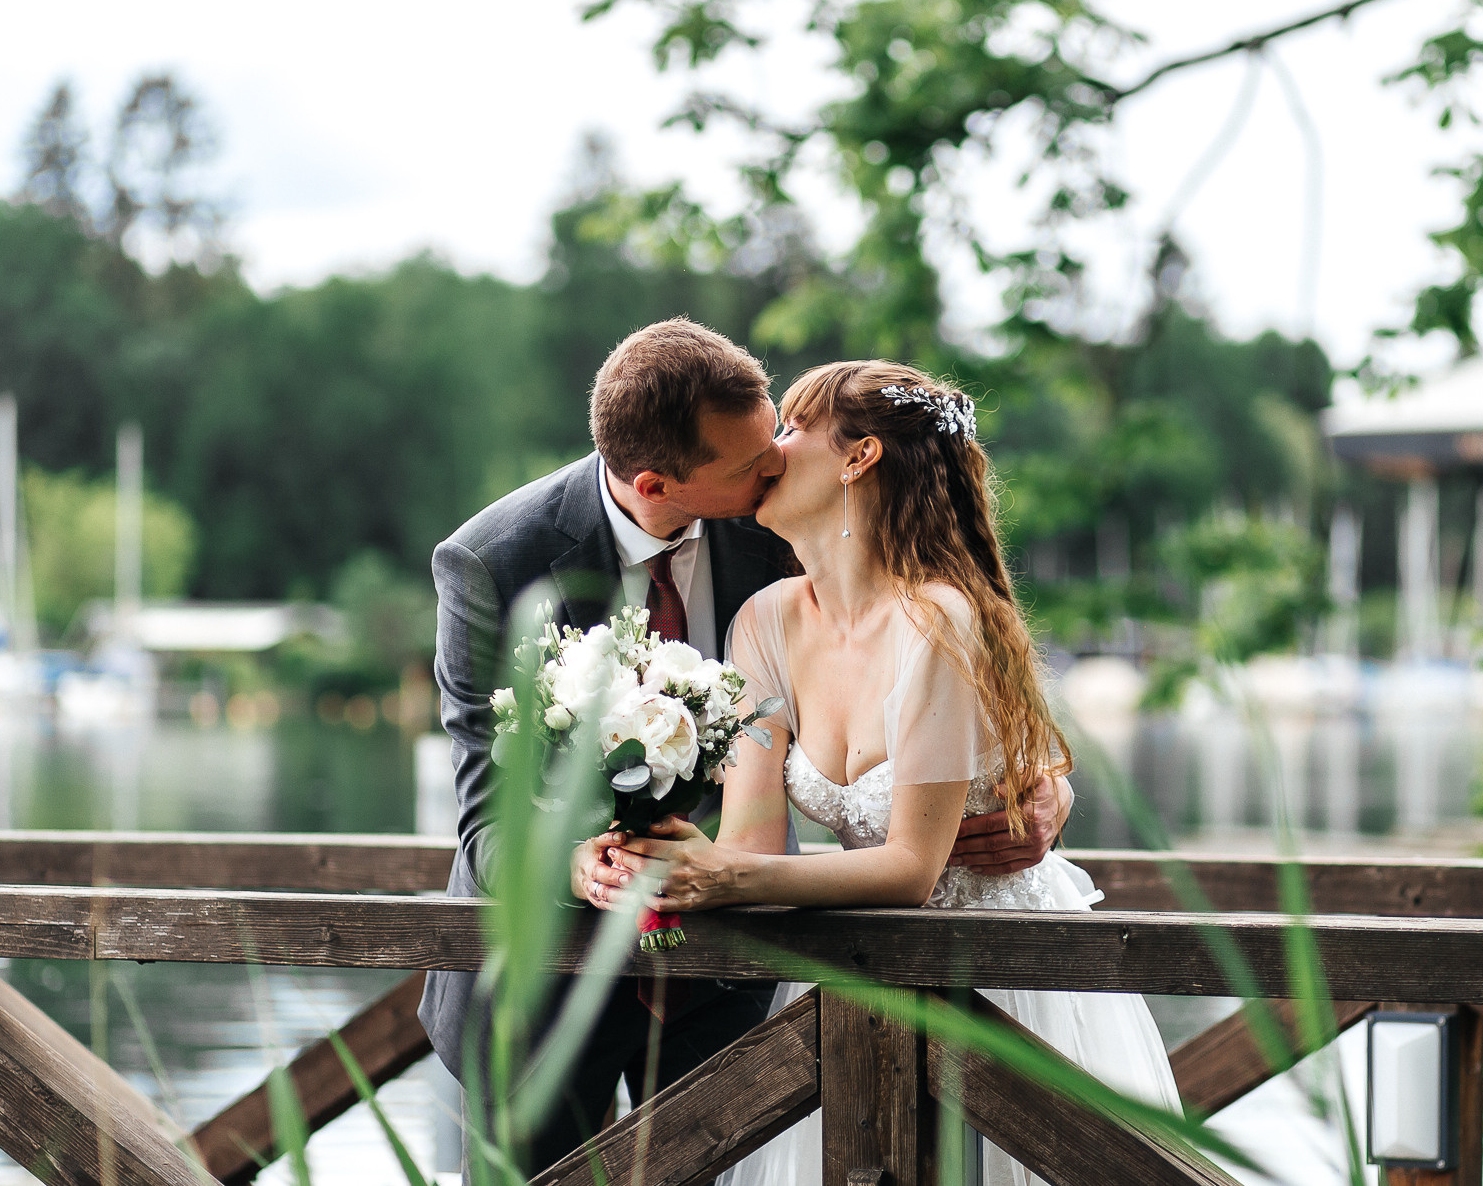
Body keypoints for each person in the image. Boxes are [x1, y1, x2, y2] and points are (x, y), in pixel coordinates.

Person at [420, 322, 1074, 1175]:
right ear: (659, 482)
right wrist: (581, 863)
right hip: (543, 989)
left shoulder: (793, 527)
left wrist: (1047, 788)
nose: (774, 461)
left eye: (782, 436)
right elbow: (486, 824)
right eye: (753, 460)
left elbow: (969, 663)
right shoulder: (494, 564)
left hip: (736, 985)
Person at [602, 359, 1181, 1186]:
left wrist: (719, 875)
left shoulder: (937, 618)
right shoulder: (765, 620)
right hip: (856, 979)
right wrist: (664, 857)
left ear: (858, 458)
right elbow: (754, 842)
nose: (772, 444)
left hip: (1001, 977)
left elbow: (911, 867)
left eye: (794, 426)